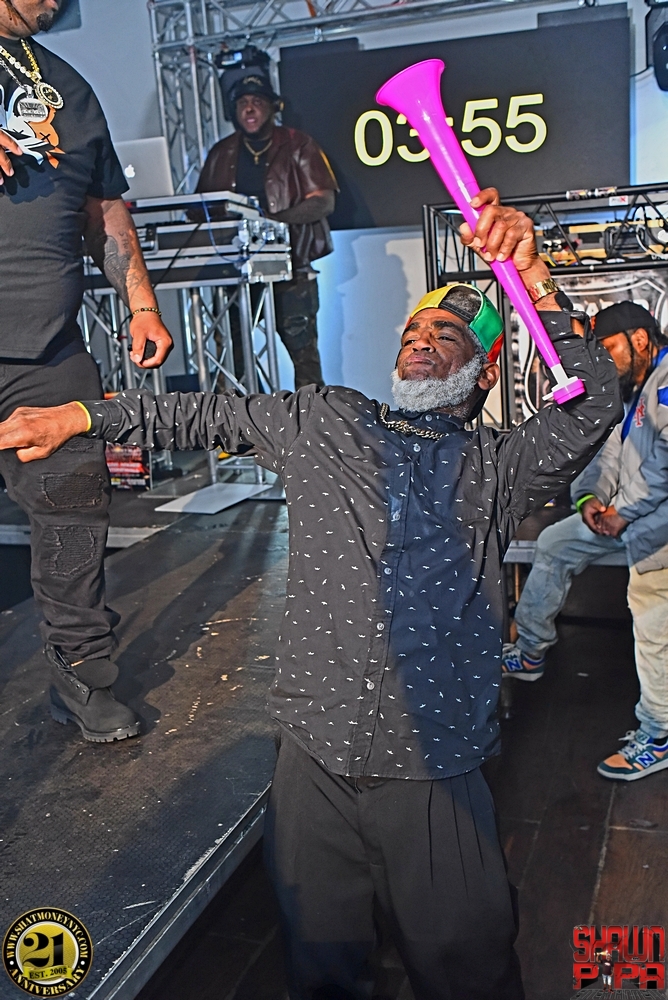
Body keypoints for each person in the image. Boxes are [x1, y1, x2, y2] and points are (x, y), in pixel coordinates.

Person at [0, 189, 622, 999]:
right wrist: (82, 416)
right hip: (313, 759)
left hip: (433, 765)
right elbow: (198, 413)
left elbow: (592, 403)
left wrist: (534, 279)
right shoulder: (327, 419)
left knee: (466, 968)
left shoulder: (499, 465)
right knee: (320, 969)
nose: (422, 342)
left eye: (447, 335)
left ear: (486, 366)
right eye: (413, 332)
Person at [0, 0, 173, 742]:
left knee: (73, 504)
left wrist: (142, 305)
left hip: (47, 349)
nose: (58, 3)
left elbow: (105, 211)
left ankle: (80, 671)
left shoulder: (68, 86)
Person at [502, 302, 668, 781]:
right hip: (631, 519)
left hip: (657, 530)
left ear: (640, 340)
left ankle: (658, 735)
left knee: (652, 618)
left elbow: (663, 467)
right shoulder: (635, 384)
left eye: (610, 347)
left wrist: (621, 512)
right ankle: (531, 649)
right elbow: (611, 451)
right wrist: (591, 499)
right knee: (556, 542)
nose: (605, 359)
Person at [195, 71, 338, 389]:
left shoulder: (298, 144)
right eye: (242, 103)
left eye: (257, 102)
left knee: (304, 359)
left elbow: (323, 201)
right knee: (232, 355)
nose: (249, 109)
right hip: (237, 272)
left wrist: (271, 223)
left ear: (273, 108)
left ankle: (312, 417)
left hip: (291, 268)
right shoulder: (222, 152)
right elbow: (199, 208)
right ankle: (248, 415)